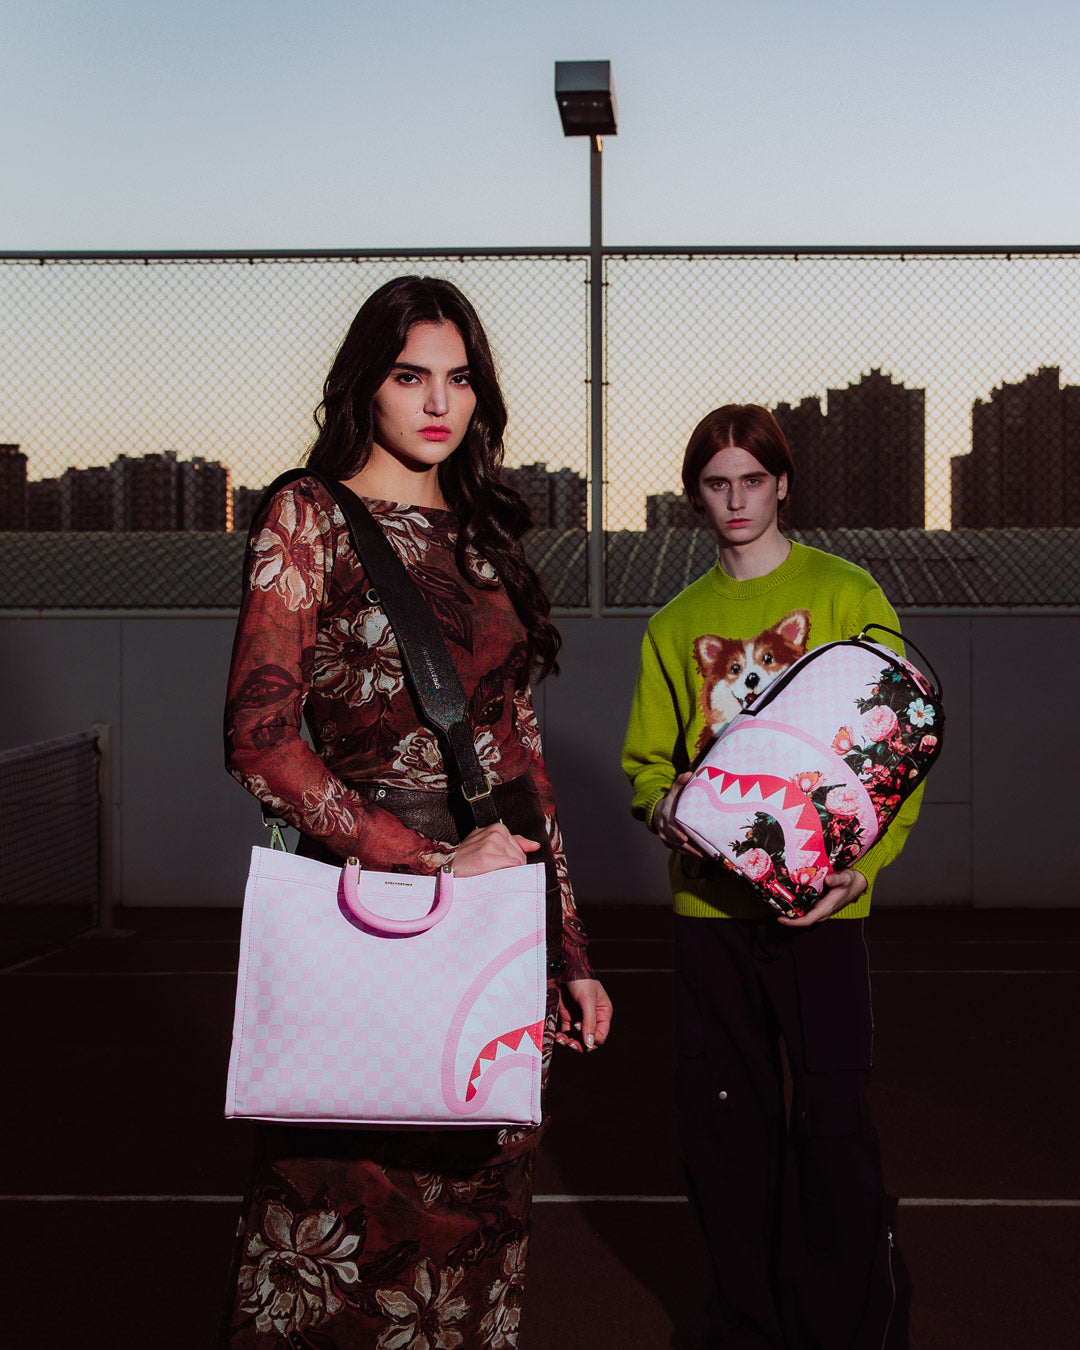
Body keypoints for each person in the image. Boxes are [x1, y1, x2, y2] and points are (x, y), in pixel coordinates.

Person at [221, 275, 612, 1347]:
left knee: (477, 1230)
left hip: (495, 932)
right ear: (368, 384)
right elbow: (259, 741)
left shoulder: (490, 538)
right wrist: (427, 864)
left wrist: (567, 946)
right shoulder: (310, 513)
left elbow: (521, 767)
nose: (437, 401)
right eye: (410, 376)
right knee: (332, 1221)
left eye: (459, 378)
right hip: (367, 915)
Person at [622, 405, 919, 1349]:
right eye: (717, 483)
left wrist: (861, 867)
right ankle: (745, 1323)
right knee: (725, 1133)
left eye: (753, 479)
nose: (736, 500)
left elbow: (900, 746)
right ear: (695, 495)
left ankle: (850, 1324)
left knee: (834, 1126)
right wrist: (664, 806)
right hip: (710, 913)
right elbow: (647, 767)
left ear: (782, 483)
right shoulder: (677, 626)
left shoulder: (845, 592)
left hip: (823, 920)